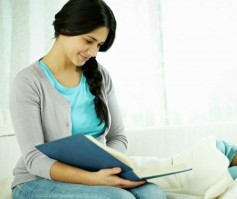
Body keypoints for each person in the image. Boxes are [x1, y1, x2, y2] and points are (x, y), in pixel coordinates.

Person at [9, 0, 166, 198]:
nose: (93, 53)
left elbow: (118, 137)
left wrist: (110, 168)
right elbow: (34, 159)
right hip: (36, 183)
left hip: (95, 177)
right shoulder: (28, 82)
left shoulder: (100, 75)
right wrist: (94, 179)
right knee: (118, 198)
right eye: (88, 41)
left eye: (99, 45)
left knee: (153, 193)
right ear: (65, 28)